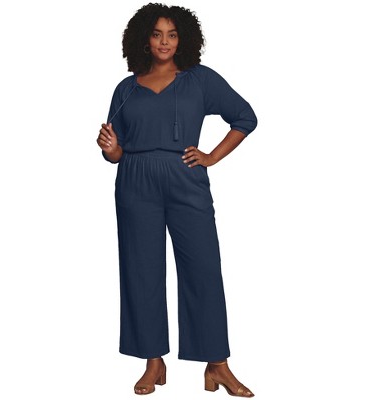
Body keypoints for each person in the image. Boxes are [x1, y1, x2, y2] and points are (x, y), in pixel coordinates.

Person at [96, 3, 258, 397]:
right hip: (135, 180)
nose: (164, 42)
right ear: (144, 40)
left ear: (182, 39)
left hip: (185, 179)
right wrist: (112, 150)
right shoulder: (127, 87)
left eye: (171, 34)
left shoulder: (200, 79)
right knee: (141, 271)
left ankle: (217, 364)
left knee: (203, 268)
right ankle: (153, 361)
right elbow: (115, 149)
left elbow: (245, 117)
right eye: (156, 34)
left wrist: (211, 156)